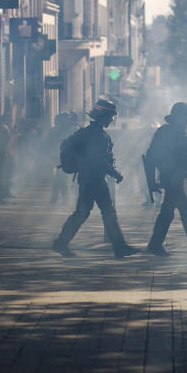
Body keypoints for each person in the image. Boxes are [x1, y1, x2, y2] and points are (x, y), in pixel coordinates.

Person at [52, 99, 138, 259]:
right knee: (91, 213)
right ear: (105, 117)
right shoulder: (98, 135)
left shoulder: (86, 132)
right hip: (93, 180)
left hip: (91, 179)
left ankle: (119, 247)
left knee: (97, 213)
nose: (112, 120)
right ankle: (61, 243)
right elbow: (99, 160)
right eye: (111, 117)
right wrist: (116, 174)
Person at [143, 102, 187, 258]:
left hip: (175, 177)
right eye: (185, 117)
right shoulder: (169, 133)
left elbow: (183, 158)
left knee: (169, 212)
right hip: (171, 177)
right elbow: (154, 157)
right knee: (185, 212)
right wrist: (151, 182)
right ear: (178, 118)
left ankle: (155, 244)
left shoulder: (175, 132)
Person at [49, 112, 78, 204]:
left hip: (69, 156)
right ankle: (63, 199)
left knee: (64, 178)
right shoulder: (57, 130)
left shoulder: (71, 129)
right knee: (61, 178)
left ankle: (66, 199)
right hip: (61, 156)